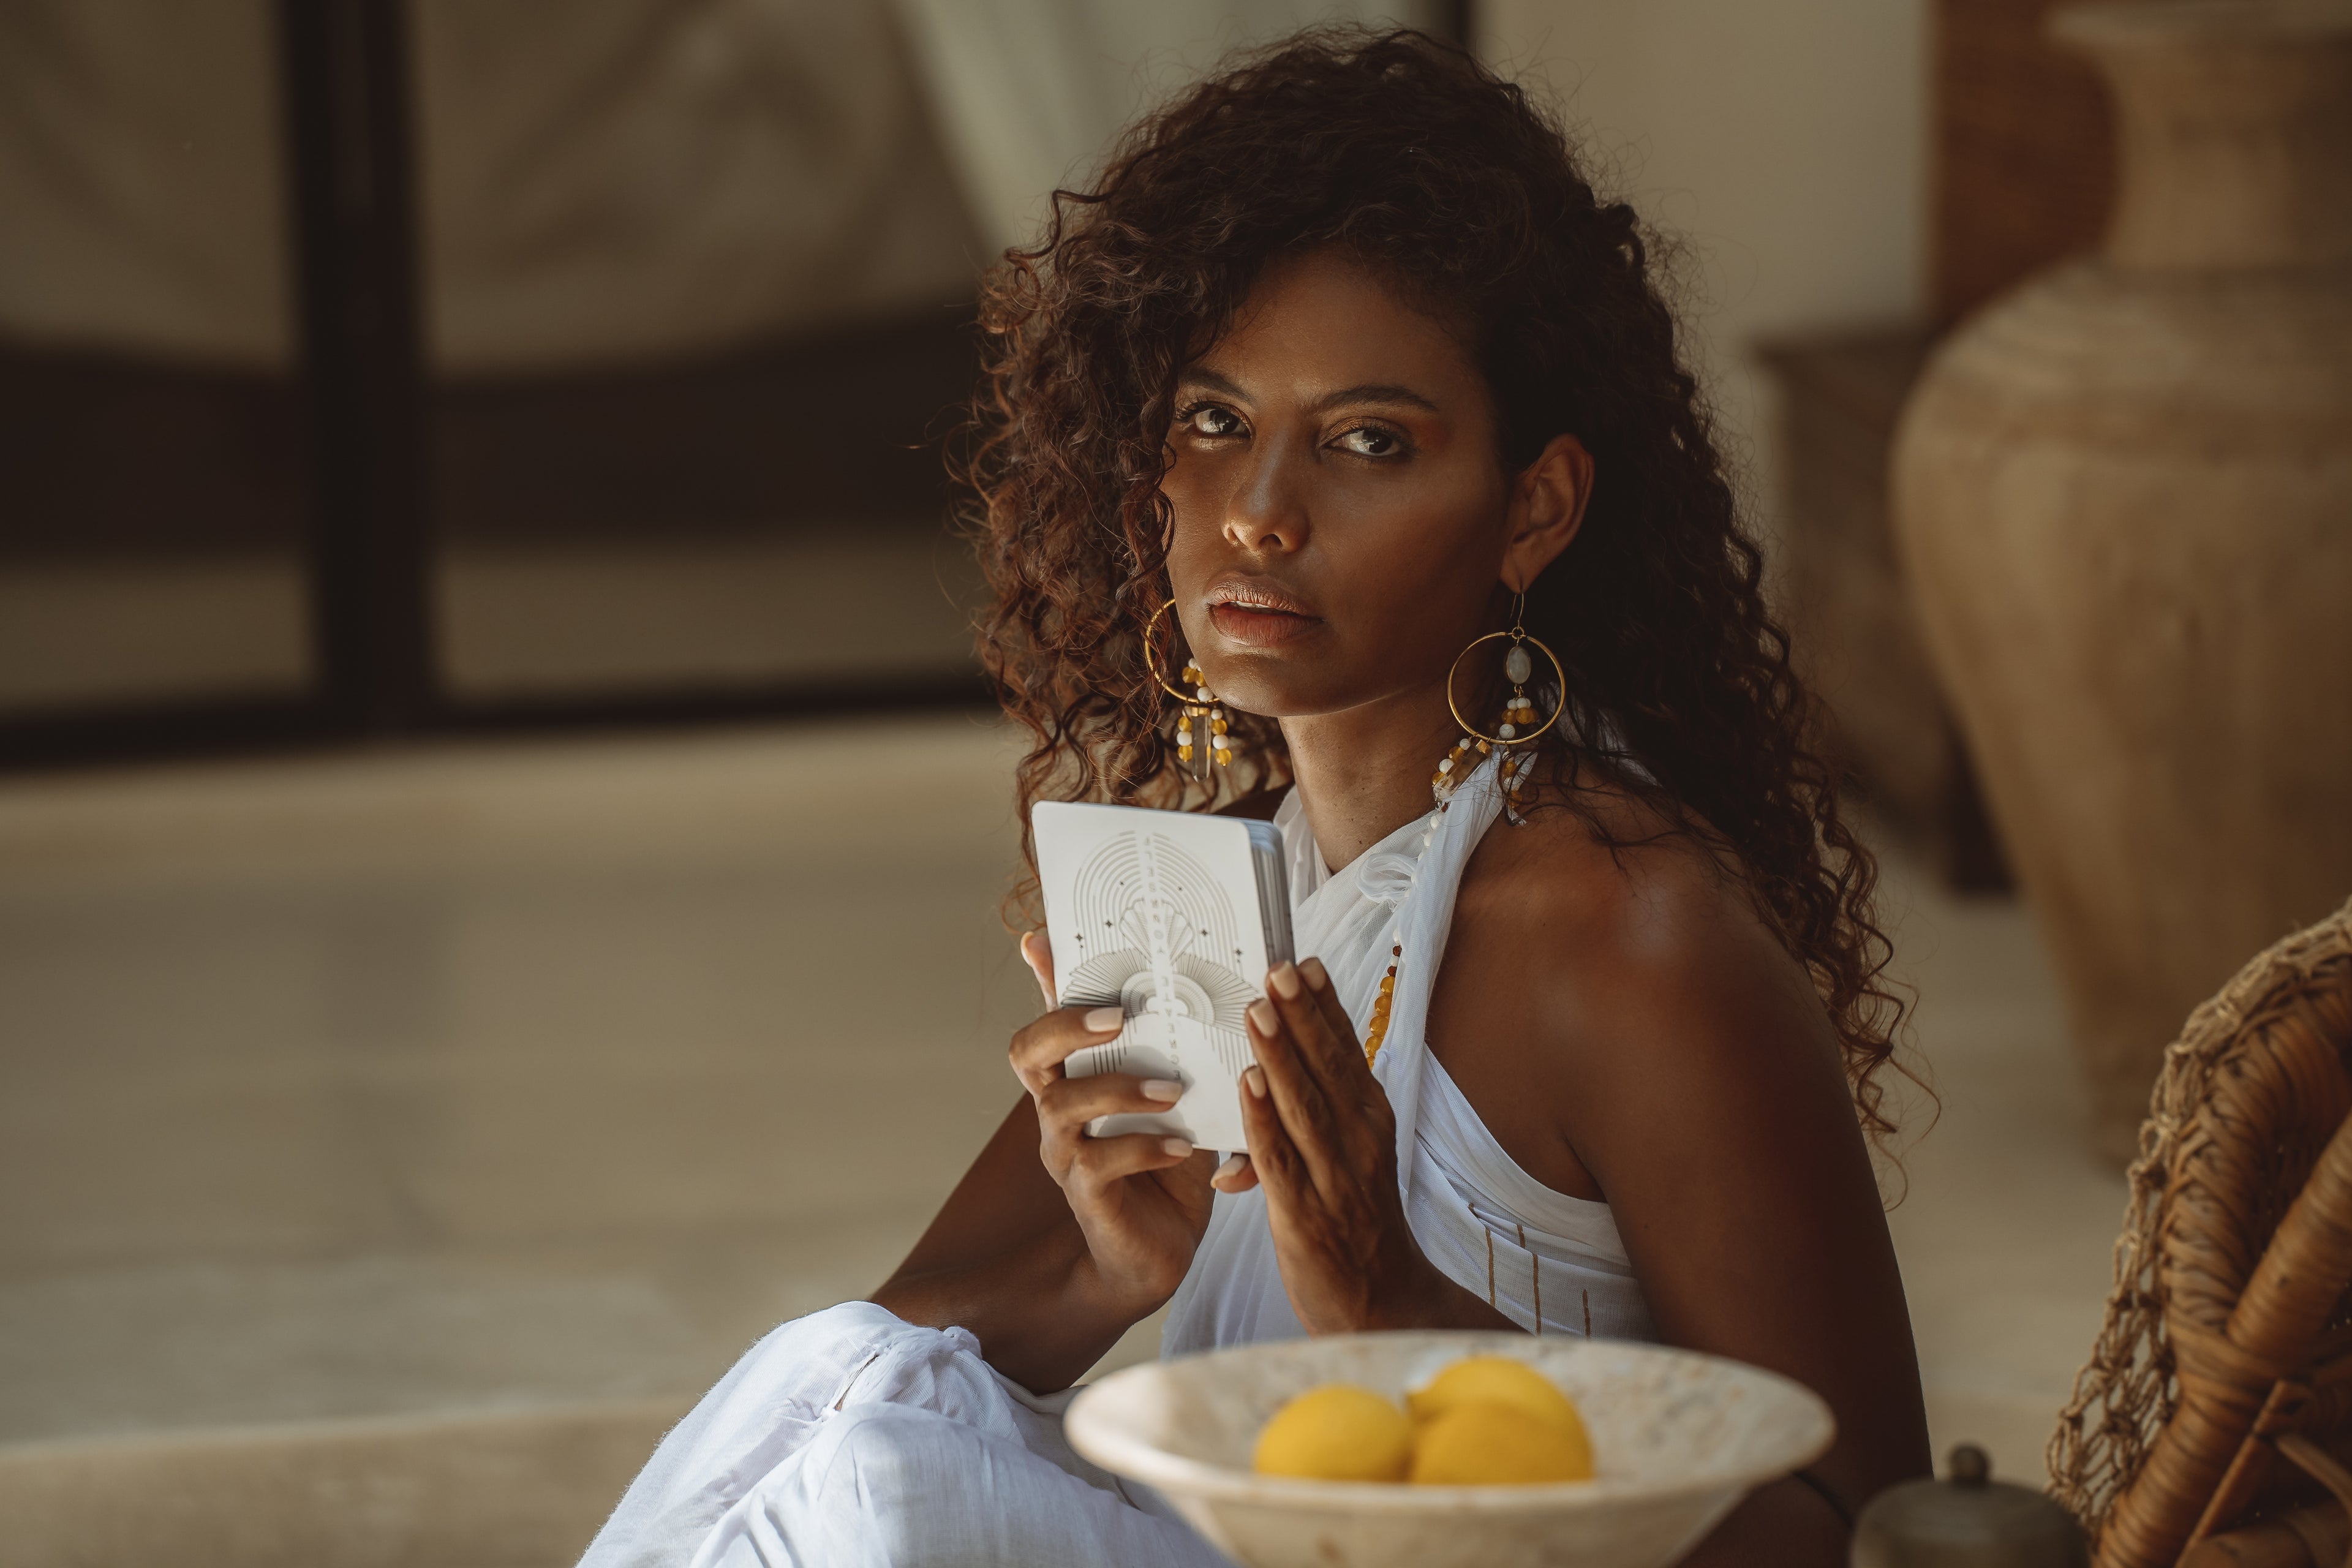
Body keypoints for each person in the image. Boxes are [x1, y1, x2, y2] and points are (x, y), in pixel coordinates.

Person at [581, 27, 1930, 1568]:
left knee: (891, 1490)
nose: (1261, 513)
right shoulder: (1221, 876)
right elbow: (854, 1377)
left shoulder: (1624, 932)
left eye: (1368, 442)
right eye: (1216, 422)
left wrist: (1395, 1308)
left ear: (1534, 507)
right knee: (861, 1411)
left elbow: (1875, 1531)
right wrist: (1105, 1268)